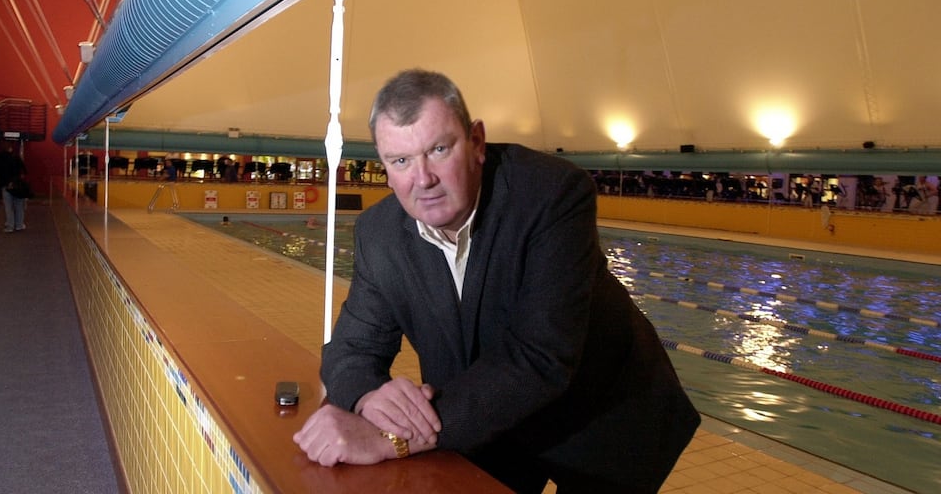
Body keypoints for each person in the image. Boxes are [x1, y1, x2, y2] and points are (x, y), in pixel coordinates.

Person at [293, 69, 699, 493]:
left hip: (602, 418)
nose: (423, 178)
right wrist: (368, 399)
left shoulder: (551, 195)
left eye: (438, 149)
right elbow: (352, 347)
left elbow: (540, 357)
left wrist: (394, 437)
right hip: (484, 418)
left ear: (476, 143)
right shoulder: (379, 235)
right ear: (385, 167)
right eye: (401, 161)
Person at [0, 142, 28, 232]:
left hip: (5, 185)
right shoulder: (16, 157)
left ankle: (10, 226)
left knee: (8, 207)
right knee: (19, 205)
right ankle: (19, 225)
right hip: (17, 185)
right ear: (11, 148)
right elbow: (24, 170)